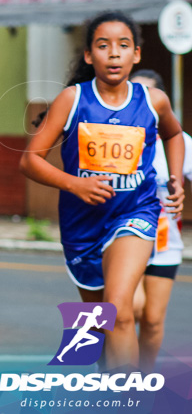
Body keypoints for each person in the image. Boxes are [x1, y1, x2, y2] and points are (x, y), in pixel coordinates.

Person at [20, 11, 184, 370]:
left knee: (119, 310)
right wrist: (75, 183)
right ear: (89, 55)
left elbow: (173, 134)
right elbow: (29, 160)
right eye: (103, 45)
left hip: (135, 214)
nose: (114, 53)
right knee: (99, 323)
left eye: (123, 46)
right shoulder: (72, 100)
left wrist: (175, 178)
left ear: (136, 55)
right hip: (82, 226)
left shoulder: (153, 100)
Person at [129, 68, 192, 371]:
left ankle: (142, 379)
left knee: (153, 321)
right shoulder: (118, 138)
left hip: (165, 244)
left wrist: (178, 188)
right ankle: (114, 373)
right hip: (122, 237)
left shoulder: (179, 141)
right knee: (132, 308)